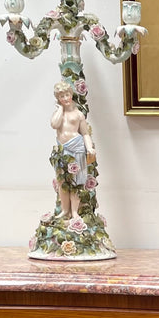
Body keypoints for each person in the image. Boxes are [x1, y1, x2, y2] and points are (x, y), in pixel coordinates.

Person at [49, 82, 95, 219]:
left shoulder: (78, 114)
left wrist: (90, 147)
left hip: (77, 147)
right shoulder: (59, 114)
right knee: (62, 181)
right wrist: (59, 110)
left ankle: (75, 211)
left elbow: (85, 133)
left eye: (67, 94)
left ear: (71, 94)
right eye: (61, 96)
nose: (65, 98)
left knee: (76, 181)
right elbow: (54, 125)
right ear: (58, 98)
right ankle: (65, 210)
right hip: (62, 150)